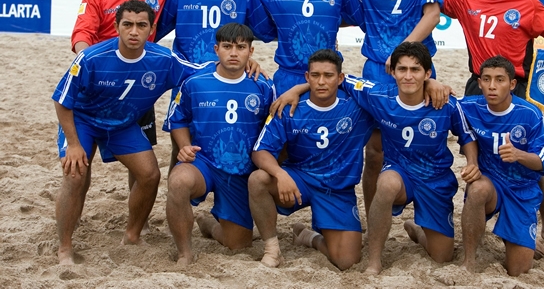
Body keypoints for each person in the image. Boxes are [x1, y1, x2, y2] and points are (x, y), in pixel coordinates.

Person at [440, 0, 544, 258]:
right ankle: (475, 227)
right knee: (477, 162)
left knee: (531, 163)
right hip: (478, 85)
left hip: (516, 88)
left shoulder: (527, 4)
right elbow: (435, 3)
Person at [52, 0, 202, 265]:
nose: (134, 31)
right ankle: (65, 248)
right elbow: (62, 101)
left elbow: (202, 72)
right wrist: (74, 144)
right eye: (128, 25)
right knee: (75, 174)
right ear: (116, 26)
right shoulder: (91, 57)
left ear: (151, 28)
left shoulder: (163, 59)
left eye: (141, 25)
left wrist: (246, 67)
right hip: (83, 121)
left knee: (149, 174)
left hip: (121, 125)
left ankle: (132, 235)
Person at [335, 42, 476, 275]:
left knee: (442, 256)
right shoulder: (379, 95)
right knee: (387, 183)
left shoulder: (446, 103)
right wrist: (296, 90)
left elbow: (467, 135)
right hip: (399, 171)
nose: (408, 76)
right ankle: (374, 260)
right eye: (402, 69)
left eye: (416, 70)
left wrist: (471, 162)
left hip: (435, 178)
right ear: (392, 72)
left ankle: (418, 231)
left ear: (427, 73)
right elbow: (339, 78)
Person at [156, 0, 275, 172]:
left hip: (231, 80)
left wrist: (249, 58)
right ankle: (178, 198)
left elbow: (267, 32)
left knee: (230, 141)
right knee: (181, 147)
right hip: (187, 80)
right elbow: (154, 31)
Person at [353, 0, 444, 221]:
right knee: (375, 152)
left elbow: (432, 16)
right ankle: (372, 220)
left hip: (413, 67)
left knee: (423, 146)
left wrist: (402, 52)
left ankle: (427, 219)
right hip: (378, 70)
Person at [249, 49, 375, 269]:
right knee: (258, 179)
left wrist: (432, 84)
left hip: (337, 188)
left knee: (346, 261)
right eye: (315, 76)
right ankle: (272, 249)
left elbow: (394, 92)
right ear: (307, 77)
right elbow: (260, 151)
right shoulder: (289, 107)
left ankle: (310, 237)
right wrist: (280, 173)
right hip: (300, 180)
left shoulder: (357, 107)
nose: (321, 81)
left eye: (328, 75)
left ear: (340, 78)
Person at [166, 23, 274, 265]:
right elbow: (178, 119)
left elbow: (274, 127)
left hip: (240, 171)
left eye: (240, 47)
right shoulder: (195, 82)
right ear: (216, 49)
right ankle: (185, 253)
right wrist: (183, 146)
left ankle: (208, 224)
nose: (233, 53)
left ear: (251, 52)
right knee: (178, 180)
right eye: (227, 46)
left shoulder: (263, 86)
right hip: (203, 162)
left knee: (239, 244)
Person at [71, 0, 170, 174]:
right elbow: (82, 34)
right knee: (79, 167)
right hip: (100, 84)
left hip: (139, 86)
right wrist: (87, 62)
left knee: (143, 171)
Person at [459, 56, 544, 276]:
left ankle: (517, 236)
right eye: (487, 79)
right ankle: (468, 261)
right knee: (477, 187)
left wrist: (519, 154)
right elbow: (442, 101)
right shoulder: (468, 106)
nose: (492, 86)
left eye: (499, 80)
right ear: (479, 82)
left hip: (522, 190)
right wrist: (434, 84)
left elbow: (542, 162)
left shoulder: (530, 113)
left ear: (512, 84)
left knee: (518, 270)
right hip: (491, 183)